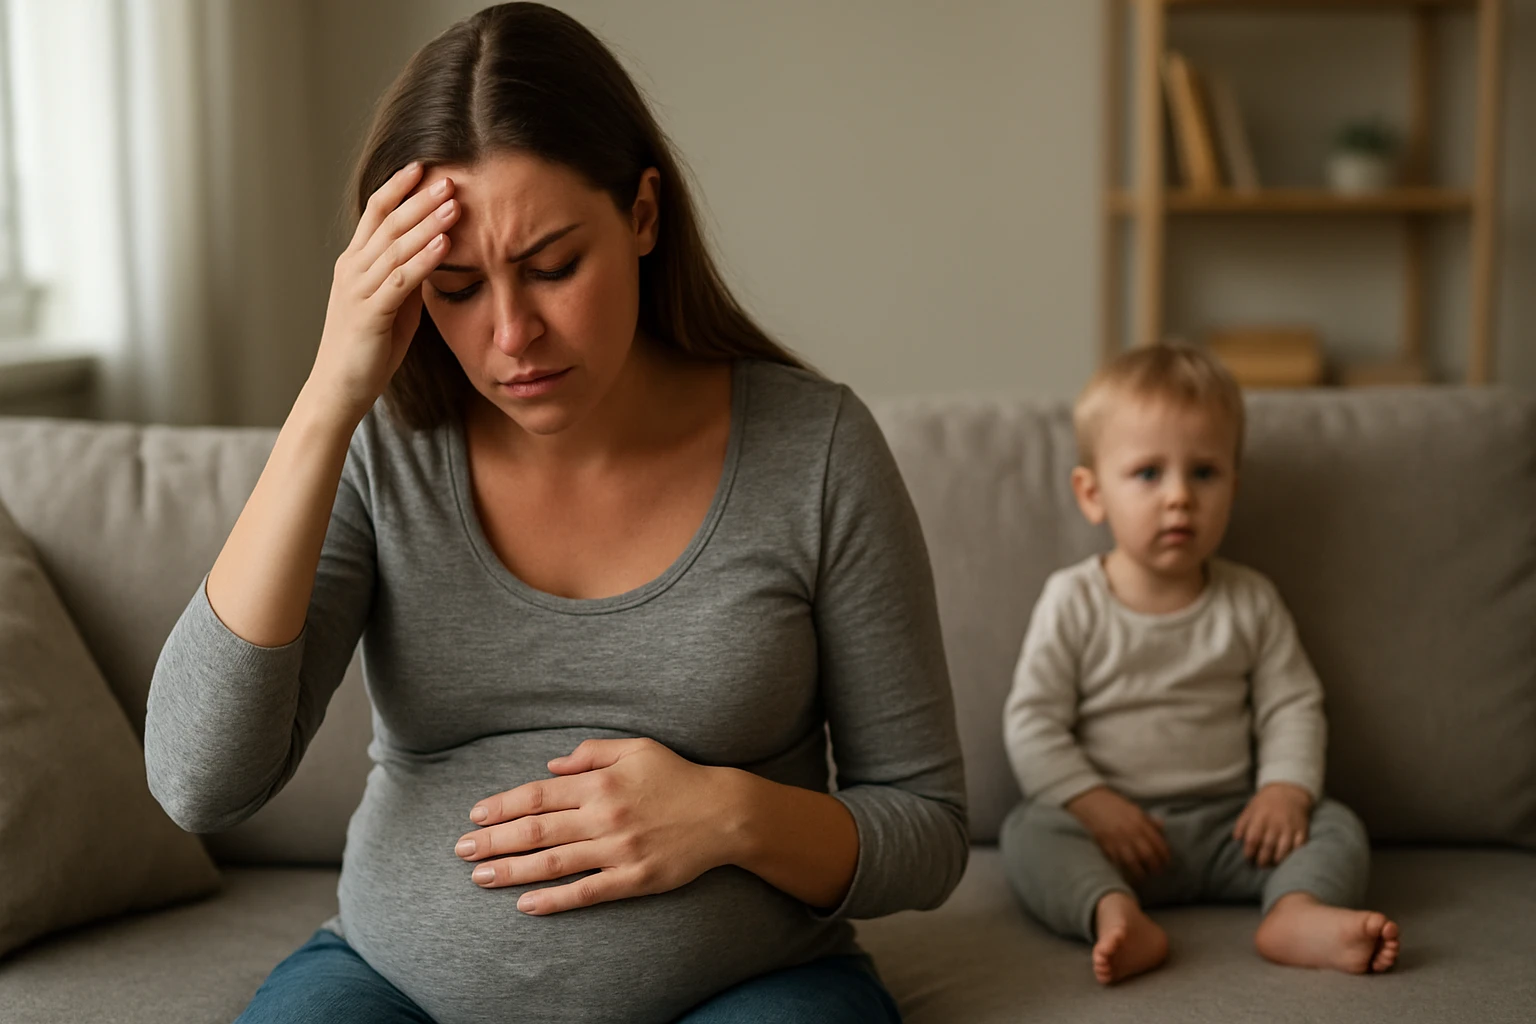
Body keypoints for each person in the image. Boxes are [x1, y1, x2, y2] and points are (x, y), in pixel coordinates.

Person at [142, 5, 966, 1022]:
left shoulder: (818, 451)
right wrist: (325, 403)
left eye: (552, 265)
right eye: (454, 286)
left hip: (754, 988)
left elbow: (927, 830)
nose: (510, 335)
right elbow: (196, 783)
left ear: (645, 216)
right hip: (388, 986)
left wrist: (728, 815)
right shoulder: (383, 449)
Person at [999, 344, 1399, 985]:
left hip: (1235, 828)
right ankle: (1114, 915)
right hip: (1116, 834)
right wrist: (1094, 803)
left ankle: (1296, 913)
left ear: (1233, 489)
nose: (1180, 497)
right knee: (1027, 833)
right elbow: (1032, 723)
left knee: (1334, 823)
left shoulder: (1251, 600)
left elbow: (1291, 705)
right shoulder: (1072, 601)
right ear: (1092, 493)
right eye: (1149, 474)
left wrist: (1284, 791)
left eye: (1205, 473)